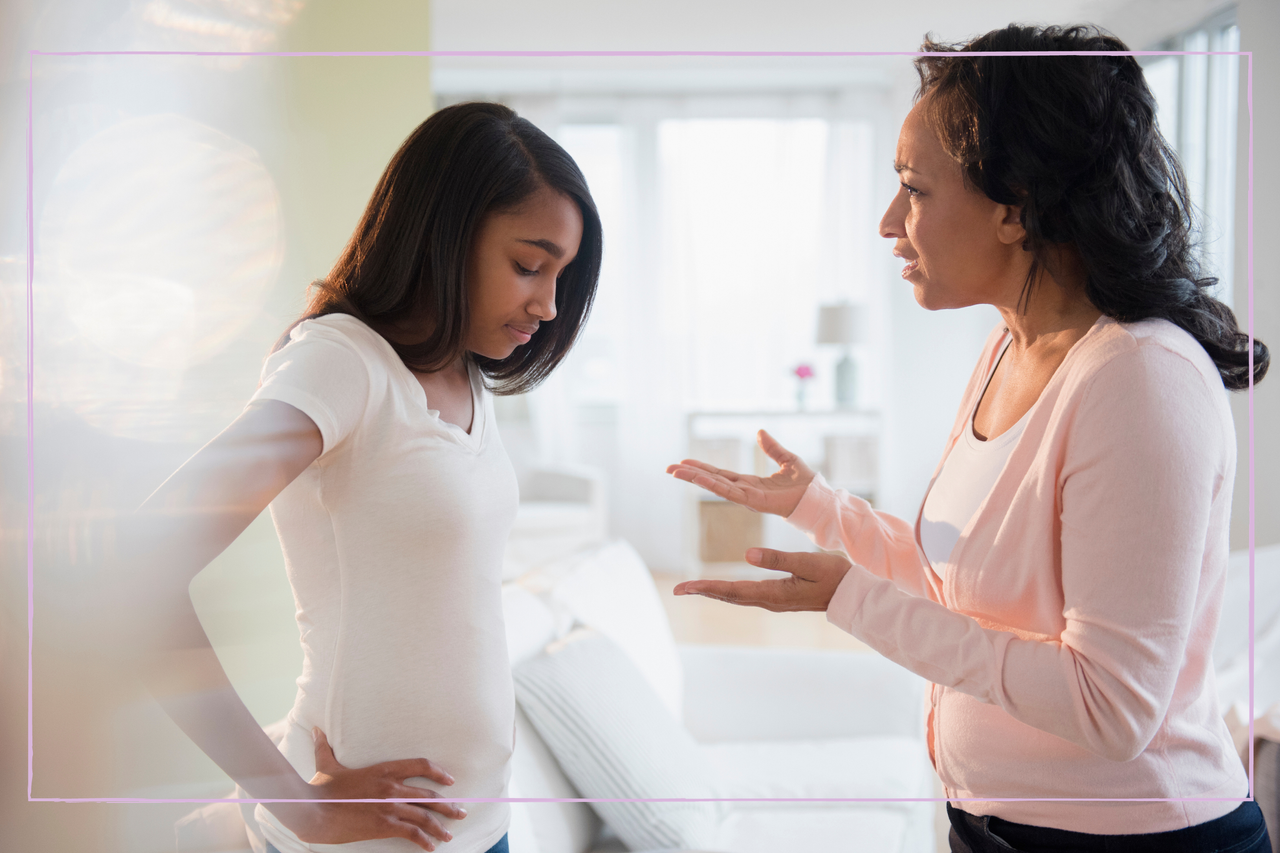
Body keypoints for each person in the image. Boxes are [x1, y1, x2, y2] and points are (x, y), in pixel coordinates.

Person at [666, 24, 1271, 853]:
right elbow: (961, 582)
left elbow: (1112, 705)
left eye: (913, 188)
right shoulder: (1007, 350)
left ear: (1015, 203)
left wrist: (851, 597)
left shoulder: (1138, 379)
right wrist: (822, 509)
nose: (889, 222)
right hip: (992, 826)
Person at [117, 101, 601, 853]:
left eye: (561, 277)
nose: (547, 303)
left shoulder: (468, 373)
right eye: (529, 265)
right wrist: (292, 800)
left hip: (479, 824)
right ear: (447, 232)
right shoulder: (341, 363)